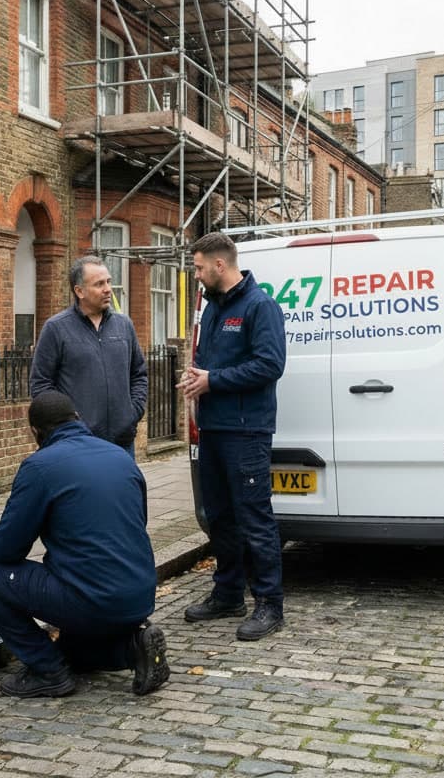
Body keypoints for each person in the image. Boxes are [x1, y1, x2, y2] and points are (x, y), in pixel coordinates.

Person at [0, 391, 169, 698]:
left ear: (36, 431)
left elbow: (6, 550)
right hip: (138, 594)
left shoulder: (40, 467)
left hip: (91, 597)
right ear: (77, 418)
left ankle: (48, 670)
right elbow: (135, 524)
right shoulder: (119, 456)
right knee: (74, 652)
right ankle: (132, 649)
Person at [178, 232, 287, 641]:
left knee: (254, 519)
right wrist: (196, 378)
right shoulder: (212, 310)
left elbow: (270, 365)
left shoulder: (260, 306)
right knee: (219, 518)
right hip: (213, 431)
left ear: (219, 265)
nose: (197, 274)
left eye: (199, 267)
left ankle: (269, 604)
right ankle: (227, 594)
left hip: (247, 432)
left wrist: (213, 380)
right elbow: (208, 364)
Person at [30, 255, 148, 458]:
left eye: (109, 281)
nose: (108, 289)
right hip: (76, 445)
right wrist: (67, 426)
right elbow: (41, 385)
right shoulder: (56, 328)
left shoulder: (124, 325)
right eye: (99, 284)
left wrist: (132, 412)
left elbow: (138, 374)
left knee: (123, 490)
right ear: (79, 291)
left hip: (122, 443)